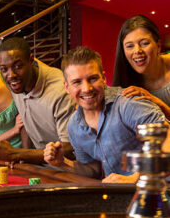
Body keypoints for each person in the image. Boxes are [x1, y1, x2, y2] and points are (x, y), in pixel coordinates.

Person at [44, 46, 166, 183]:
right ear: (67, 87)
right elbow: (94, 170)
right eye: (77, 82)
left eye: (92, 79)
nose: (86, 89)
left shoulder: (128, 103)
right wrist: (62, 163)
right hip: (122, 197)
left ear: (103, 77)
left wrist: (134, 178)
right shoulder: (74, 125)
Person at [0, 37, 76, 164]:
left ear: (31, 60)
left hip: (68, 170)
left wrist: (16, 153)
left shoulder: (59, 91)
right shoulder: (18, 83)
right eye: (4, 69)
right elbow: (27, 120)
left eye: (18, 66)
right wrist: (24, 158)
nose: (11, 75)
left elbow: (69, 149)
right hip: (43, 166)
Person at [113, 15, 170, 119]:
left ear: (158, 46)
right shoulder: (125, 82)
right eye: (130, 46)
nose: (137, 51)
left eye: (144, 43)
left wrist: (158, 104)